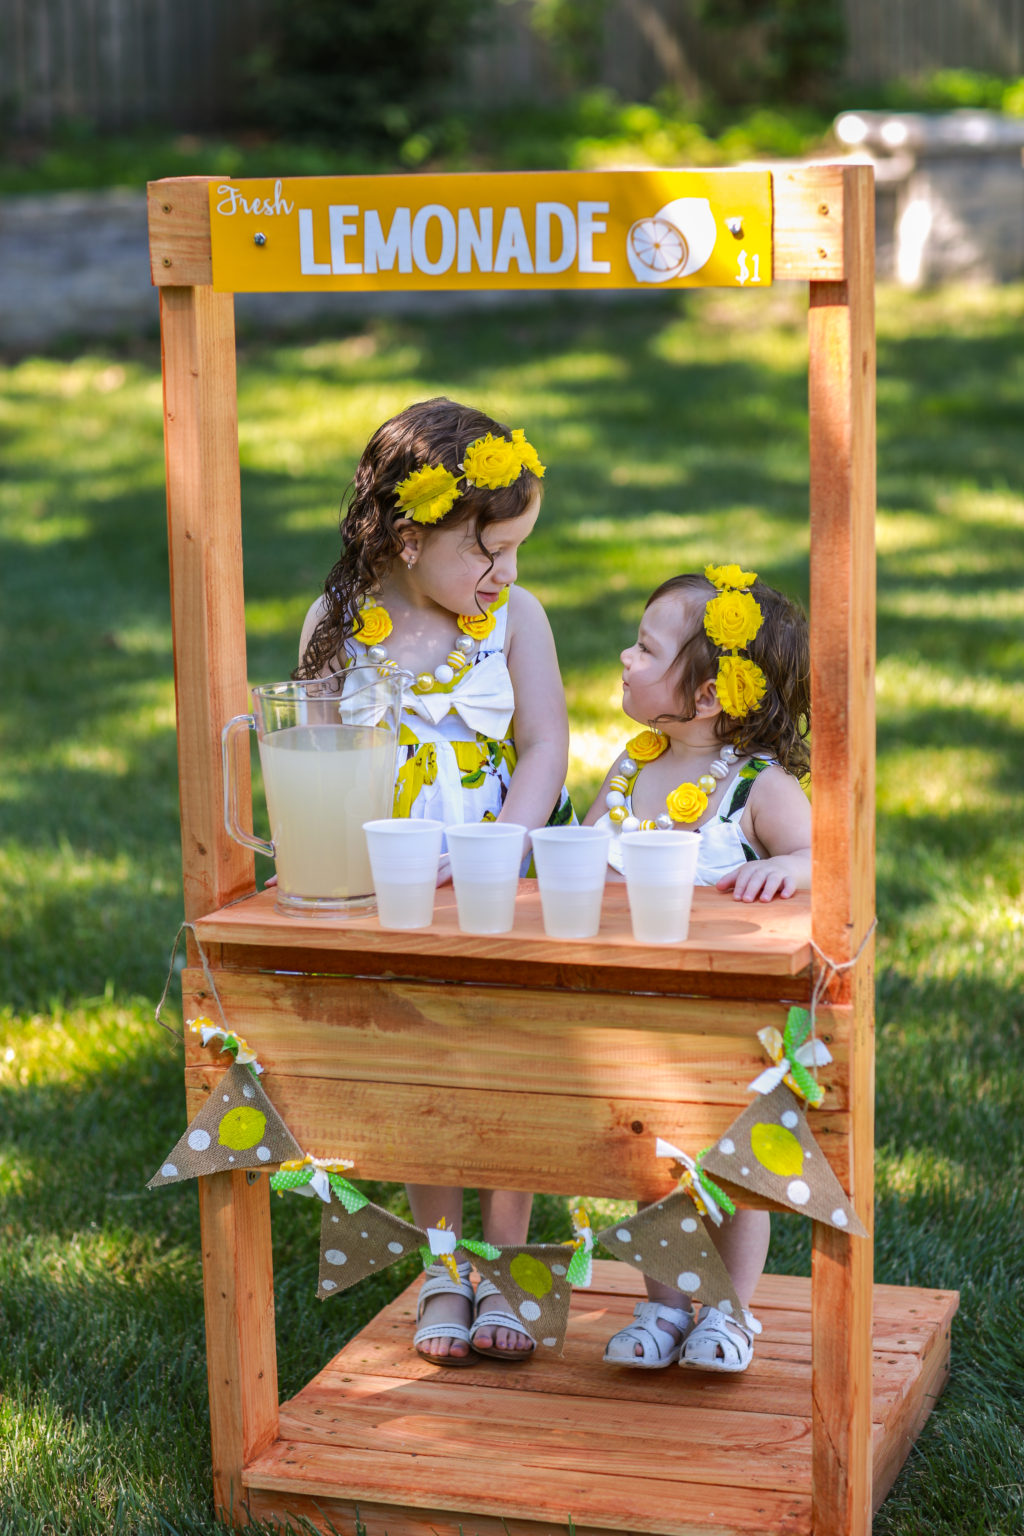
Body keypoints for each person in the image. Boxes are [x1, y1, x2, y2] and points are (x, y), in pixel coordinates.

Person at [296, 397, 571, 1367]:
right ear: (408, 538)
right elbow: (314, 758)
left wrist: (503, 841)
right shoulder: (339, 624)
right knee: (427, 1078)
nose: (505, 573)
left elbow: (542, 746)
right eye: (485, 552)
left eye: (517, 550)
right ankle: (441, 1267)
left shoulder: (514, 621)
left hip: (498, 883)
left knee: (504, 1068)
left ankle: (508, 1261)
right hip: (393, 891)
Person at [584, 562, 811, 1370]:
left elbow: (823, 855)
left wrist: (794, 869)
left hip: (728, 1020)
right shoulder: (628, 769)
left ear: (709, 696)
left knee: (734, 1165)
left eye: (645, 649)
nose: (625, 657)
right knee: (648, 1163)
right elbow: (585, 849)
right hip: (635, 1011)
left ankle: (730, 1310)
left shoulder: (758, 787)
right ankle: (664, 1303)